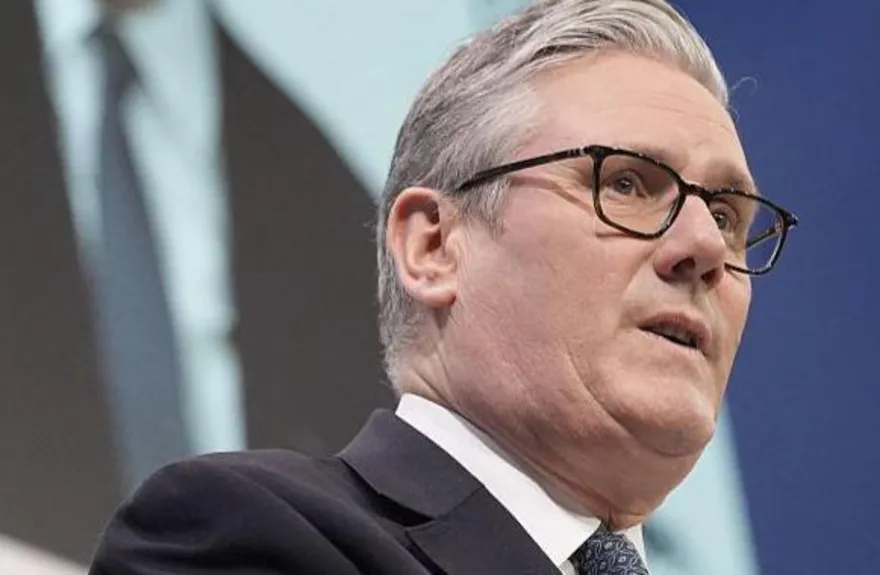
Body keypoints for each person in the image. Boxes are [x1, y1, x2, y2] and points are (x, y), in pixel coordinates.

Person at [88, 0, 798, 573]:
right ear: (433, 246)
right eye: (626, 184)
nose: (705, 245)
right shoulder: (245, 536)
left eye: (730, 217)